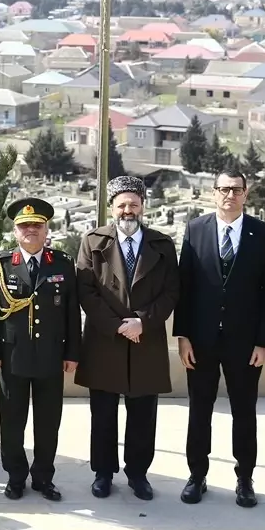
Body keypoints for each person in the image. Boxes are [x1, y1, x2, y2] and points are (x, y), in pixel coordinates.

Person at [173, 168, 265, 507]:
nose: (229, 195)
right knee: (199, 411)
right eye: (223, 189)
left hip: (245, 343)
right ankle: (196, 475)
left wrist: (264, 342)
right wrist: (183, 336)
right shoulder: (195, 230)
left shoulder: (264, 234)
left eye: (236, 189)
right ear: (213, 193)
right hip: (201, 341)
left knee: (244, 412)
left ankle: (244, 479)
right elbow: (185, 288)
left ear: (246, 194)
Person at [74, 176, 179, 501]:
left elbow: (171, 291)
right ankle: (103, 473)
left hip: (145, 341)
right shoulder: (93, 241)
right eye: (121, 205)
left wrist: (142, 323)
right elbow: (86, 291)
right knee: (103, 413)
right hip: (106, 340)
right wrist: (118, 325)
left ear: (143, 206)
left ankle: (138, 474)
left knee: (143, 415)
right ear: (112, 208)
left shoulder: (162, 244)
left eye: (133, 204)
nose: (127, 210)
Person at [0, 197, 80, 501]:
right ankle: (16, 476)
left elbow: (72, 313)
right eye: (24, 226)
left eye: (36, 225)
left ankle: (43, 478)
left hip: (51, 356)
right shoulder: (0, 264)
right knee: (12, 421)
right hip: (13, 358)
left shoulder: (61, 264)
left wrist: (73, 352)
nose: (31, 230)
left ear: (47, 229)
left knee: (48, 423)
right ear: (15, 231)